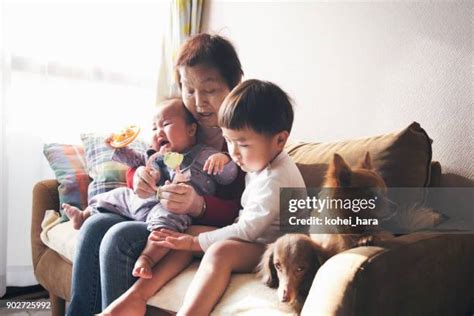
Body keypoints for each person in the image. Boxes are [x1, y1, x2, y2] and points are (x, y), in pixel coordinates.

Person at [67, 33, 245, 316]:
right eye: (189, 90)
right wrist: (137, 176)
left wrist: (199, 205)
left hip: (184, 225)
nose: (198, 102)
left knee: (120, 237)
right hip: (151, 209)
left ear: (233, 87)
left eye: (210, 91)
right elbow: (151, 161)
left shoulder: (241, 138)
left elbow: (243, 210)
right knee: (94, 225)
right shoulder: (180, 122)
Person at [147, 79, 306, 315]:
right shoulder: (260, 160)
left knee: (219, 251)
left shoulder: (276, 178)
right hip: (257, 238)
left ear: (280, 140)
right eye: (229, 141)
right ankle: (141, 291)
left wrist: (194, 243)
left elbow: (247, 231)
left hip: (274, 247)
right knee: (187, 232)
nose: (233, 152)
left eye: (242, 144)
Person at [63, 98, 237, 279]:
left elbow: (229, 176)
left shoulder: (203, 154)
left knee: (170, 221)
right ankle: (86, 214)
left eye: (166, 124)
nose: (158, 132)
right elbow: (136, 161)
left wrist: (223, 159)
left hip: (172, 208)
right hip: (144, 202)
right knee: (119, 195)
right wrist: (122, 151)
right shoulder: (156, 156)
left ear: (191, 129)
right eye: (154, 128)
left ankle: (147, 258)